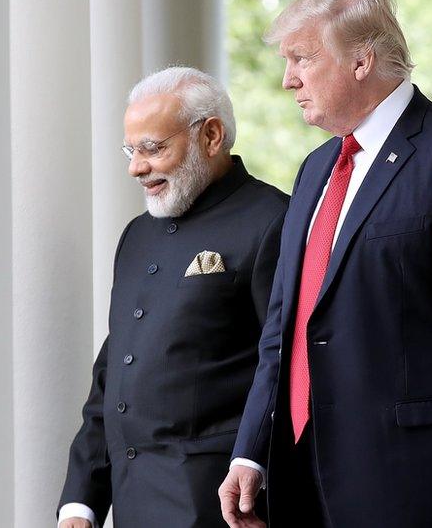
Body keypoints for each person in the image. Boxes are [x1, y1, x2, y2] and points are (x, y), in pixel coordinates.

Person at [218, 0, 432, 527]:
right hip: (302, 478)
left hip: (418, 483)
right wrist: (250, 451)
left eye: (302, 58)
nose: (287, 79)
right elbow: (285, 329)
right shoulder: (315, 169)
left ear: (361, 61)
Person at [57, 67, 288, 528]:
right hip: (130, 505)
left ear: (212, 135)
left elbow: (284, 367)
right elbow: (114, 371)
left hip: (221, 507)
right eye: (131, 150)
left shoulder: (275, 220)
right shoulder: (136, 235)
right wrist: (80, 502)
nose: (136, 167)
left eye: (153, 148)